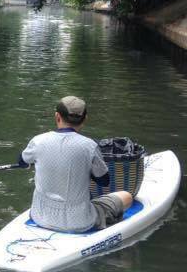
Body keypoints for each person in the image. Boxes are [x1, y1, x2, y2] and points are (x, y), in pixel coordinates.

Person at [19, 96, 132, 232]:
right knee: (126, 196)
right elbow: (104, 181)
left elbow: (22, 161)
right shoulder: (89, 146)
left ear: (57, 116)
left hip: (40, 217)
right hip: (80, 221)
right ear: (84, 119)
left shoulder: (37, 141)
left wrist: (31, 163)